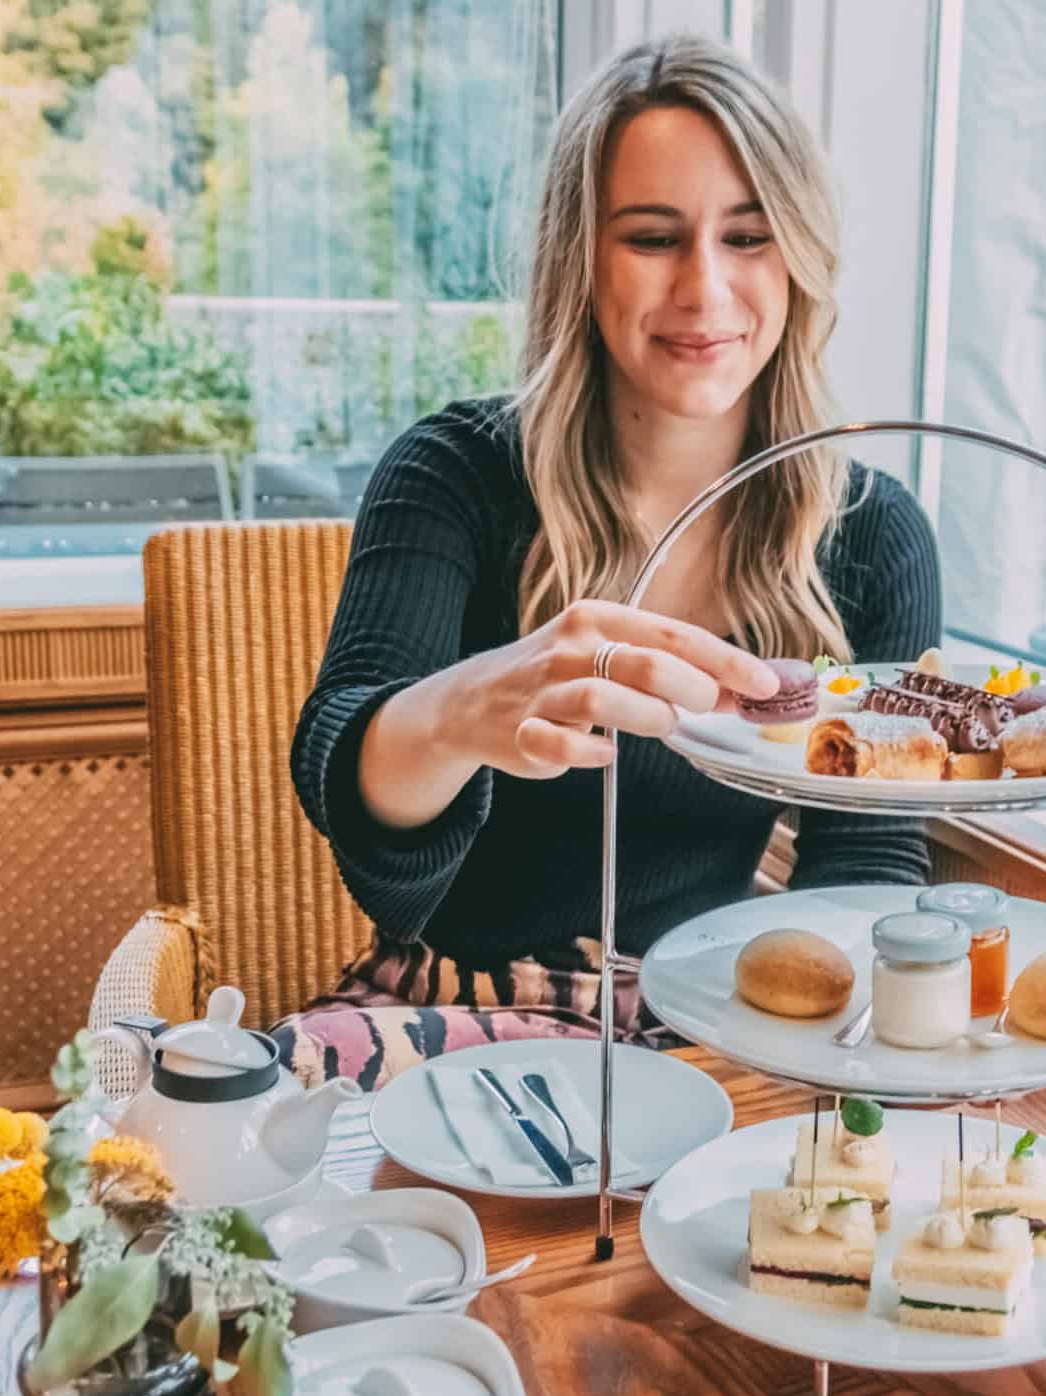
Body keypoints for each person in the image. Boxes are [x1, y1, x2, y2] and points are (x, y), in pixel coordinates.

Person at [278, 34, 941, 1090]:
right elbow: (345, 774)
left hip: (708, 1026)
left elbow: (863, 863)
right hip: (448, 1016)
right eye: (651, 237)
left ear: (799, 258)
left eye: (749, 235)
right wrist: (463, 711)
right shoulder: (456, 474)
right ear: (577, 257)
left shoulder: (868, 530)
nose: (705, 288)